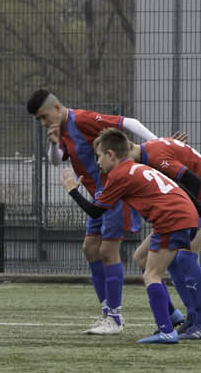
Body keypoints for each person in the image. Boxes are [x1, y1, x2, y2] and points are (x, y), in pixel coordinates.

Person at [63, 128, 201, 344]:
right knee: (141, 256)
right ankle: (173, 316)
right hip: (181, 212)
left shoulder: (119, 175)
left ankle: (167, 330)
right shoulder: (136, 166)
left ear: (111, 154)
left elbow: (95, 211)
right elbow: (178, 187)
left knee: (152, 274)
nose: (97, 162)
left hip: (171, 217)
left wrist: (73, 190)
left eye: (99, 156)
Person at [26, 89, 160, 335]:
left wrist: (159, 144)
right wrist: (53, 142)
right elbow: (56, 160)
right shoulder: (62, 129)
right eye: (40, 121)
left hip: (114, 193)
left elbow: (129, 123)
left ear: (57, 108)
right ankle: (108, 312)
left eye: (44, 117)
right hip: (98, 196)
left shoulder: (83, 120)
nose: (44, 123)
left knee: (108, 250)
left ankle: (115, 318)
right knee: (90, 249)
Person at [129, 135, 201, 340]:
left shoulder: (154, 156)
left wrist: (197, 208)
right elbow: (195, 166)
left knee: (184, 257)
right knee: (153, 257)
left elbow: (193, 179)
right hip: (194, 202)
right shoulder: (152, 151)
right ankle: (186, 318)